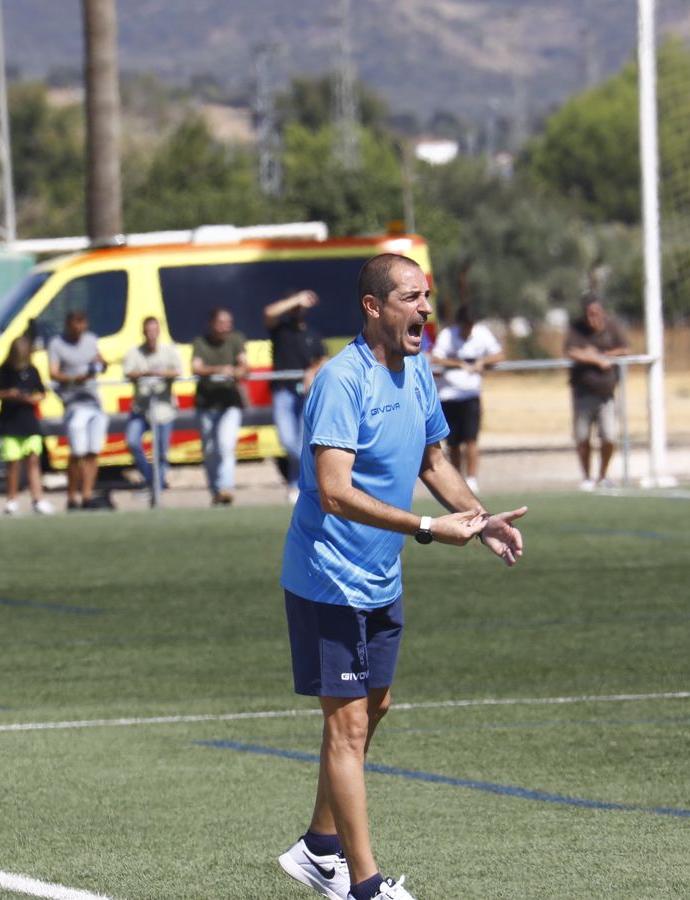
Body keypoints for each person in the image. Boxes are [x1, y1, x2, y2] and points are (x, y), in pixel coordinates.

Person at [277, 253, 527, 900]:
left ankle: (316, 847)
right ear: (373, 306)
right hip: (328, 577)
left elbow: (432, 460)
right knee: (349, 726)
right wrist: (423, 528)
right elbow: (332, 492)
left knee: (375, 707)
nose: (425, 308)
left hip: (379, 575)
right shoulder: (341, 380)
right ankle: (364, 886)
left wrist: (477, 518)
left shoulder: (416, 370)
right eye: (412, 297)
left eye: (428, 296)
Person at [430, 304, 504, 495]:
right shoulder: (447, 335)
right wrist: (459, 364)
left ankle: (471, 480)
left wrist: (482, 362)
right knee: (453, 442)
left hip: (471, 396)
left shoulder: (482, 334)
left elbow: (499, 355)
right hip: (449, 396)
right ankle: (458, 479)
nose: (468, 329)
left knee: (471, 439)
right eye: (465, 325)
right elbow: (436, 359)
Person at [264, 289, 329, 503]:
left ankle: (295, 485)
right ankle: (313, 475)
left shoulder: (312, 333)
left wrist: (313, 371)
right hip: (283, 391)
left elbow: (325, 358)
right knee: (287, 440)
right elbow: (269, 313)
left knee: (302, 441)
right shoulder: (281, 330)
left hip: (306, 393)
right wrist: (295, 299)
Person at [563, 297, 629, 491]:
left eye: (596, 313)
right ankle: (586, 477)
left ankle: (603, 475)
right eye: (589, 314)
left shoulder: (613, 327)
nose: (593, 318)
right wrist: (595, 360)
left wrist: (604, 355)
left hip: (606, 395)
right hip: (582, 394)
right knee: (582, 437)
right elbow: (571, 351)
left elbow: (625, 349)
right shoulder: (577, 329)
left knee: (609, 436)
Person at [48, 311, 111, 510]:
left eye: (83, 324)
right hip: (74, 404)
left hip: (94, 402)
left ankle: (86, 495)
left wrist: (102, 365)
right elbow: (53, 373)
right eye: (76, 324)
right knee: (77, 451)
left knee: (93, 451)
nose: (80, 329)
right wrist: (77, 380)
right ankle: (71, 496)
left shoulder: (91, 340)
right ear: (68, 324)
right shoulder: (57, 344)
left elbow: (100, 360)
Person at [189, 307, 248, 507]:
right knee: (210, 450)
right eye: (221, 323)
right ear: (211, 324)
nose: (226, 327)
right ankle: (215, 491)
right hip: (206, 403)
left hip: (230, 402)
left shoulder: (236, 339)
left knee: (226, 445)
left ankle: (226, 488)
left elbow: (244, 365)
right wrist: (220, 370)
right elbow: (196, 367)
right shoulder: (200, 342)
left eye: (228, 323)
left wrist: (239, 371)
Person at [0, 336, 54, 516]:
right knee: (13, 464)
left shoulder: (32, 370)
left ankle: (38, 499)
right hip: (10, 423)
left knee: (33, 461)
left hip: (29, 422)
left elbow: (42, 393)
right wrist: (8, 394)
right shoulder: (3, 370)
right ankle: (11, 500)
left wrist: (30, 399)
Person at [122, 316, 182, 495]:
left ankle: (157, 488)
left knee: (162, 452)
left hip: (164, 409)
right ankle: (151, 479)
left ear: (159, 332)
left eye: (154, 331)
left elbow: (178, 371)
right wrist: (144, 373)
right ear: (143, 332)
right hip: (141, 408)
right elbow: (127, 373)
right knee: (132, 441)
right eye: (148, 331)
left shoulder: (169, 351)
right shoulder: (135, 352)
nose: (151, 335)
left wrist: (162, 374)